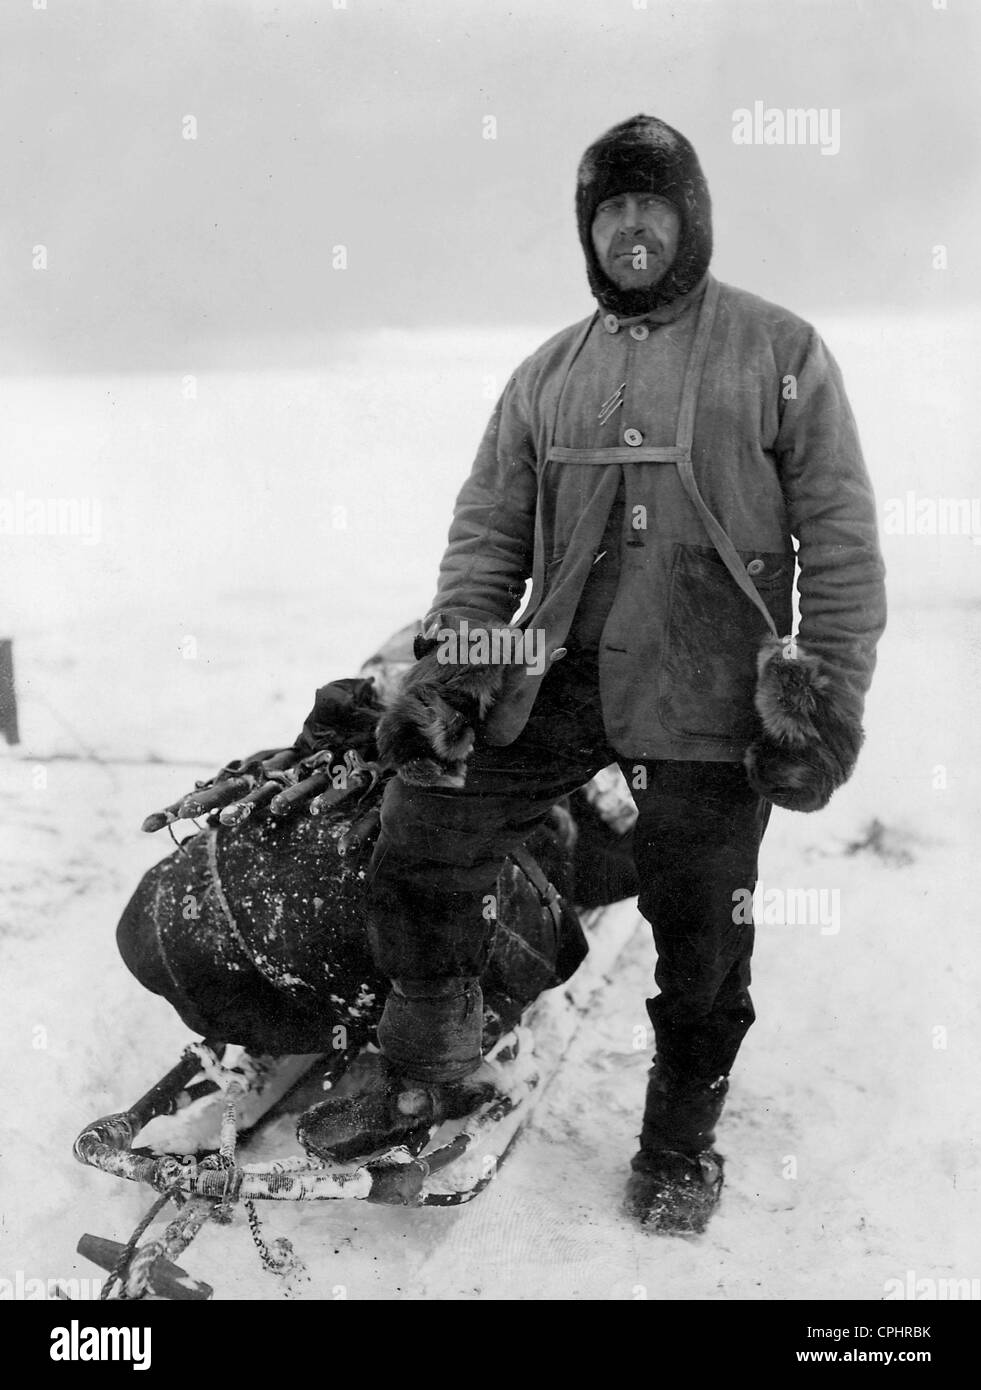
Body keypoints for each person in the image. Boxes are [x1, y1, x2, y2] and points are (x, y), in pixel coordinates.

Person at [299, 114, 888, 1233]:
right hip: (560, 669)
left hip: (709, 687)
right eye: (610, 209)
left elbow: (842, 539)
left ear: (690, 220)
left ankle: (678, 1143)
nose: (630, 228)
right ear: (588, 230)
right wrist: (455, 670)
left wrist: (825, 691)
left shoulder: (782, 350)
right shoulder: (547, 375)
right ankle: (428, 1060)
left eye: (650, 207)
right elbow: (487, 542)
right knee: (427, 819)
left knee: (704, 927)